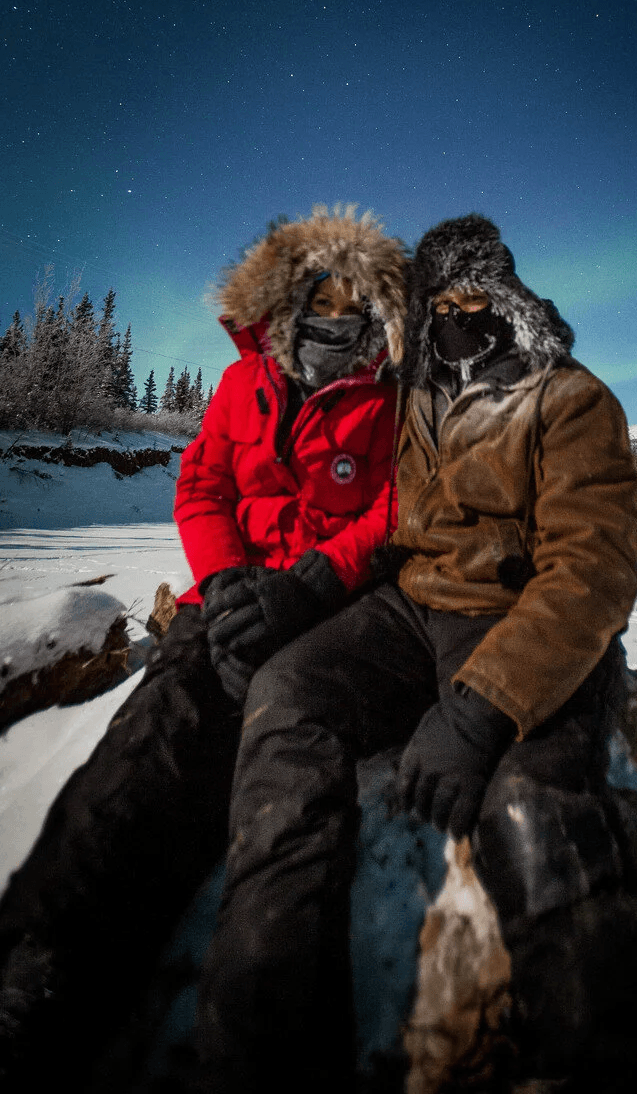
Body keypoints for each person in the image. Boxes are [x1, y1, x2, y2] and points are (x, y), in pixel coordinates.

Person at [192, 214, 637, 1091]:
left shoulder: (570, 398)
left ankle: (614, 1051)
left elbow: (593, 569)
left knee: (527, 809)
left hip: (522, 621)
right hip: (412, 607)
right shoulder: (413, 394)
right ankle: (261, 1037)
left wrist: (482, 706)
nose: (459, 314)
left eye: (477, 295)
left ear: (510, 298)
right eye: (440, 299)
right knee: (287, 694)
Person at [0, 206, 408, 1091]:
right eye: (318, 294)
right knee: (155, 731)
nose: (335, 313)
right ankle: (46, 959)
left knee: (283, 751)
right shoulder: (244, 385)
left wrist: (309, 586)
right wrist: (222, 583)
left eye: (353, 298)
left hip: (327, 611)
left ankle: (265, 1037)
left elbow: (400, 509)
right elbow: (201, 484)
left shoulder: (398, 394)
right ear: (287, 298)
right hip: (226, 604)